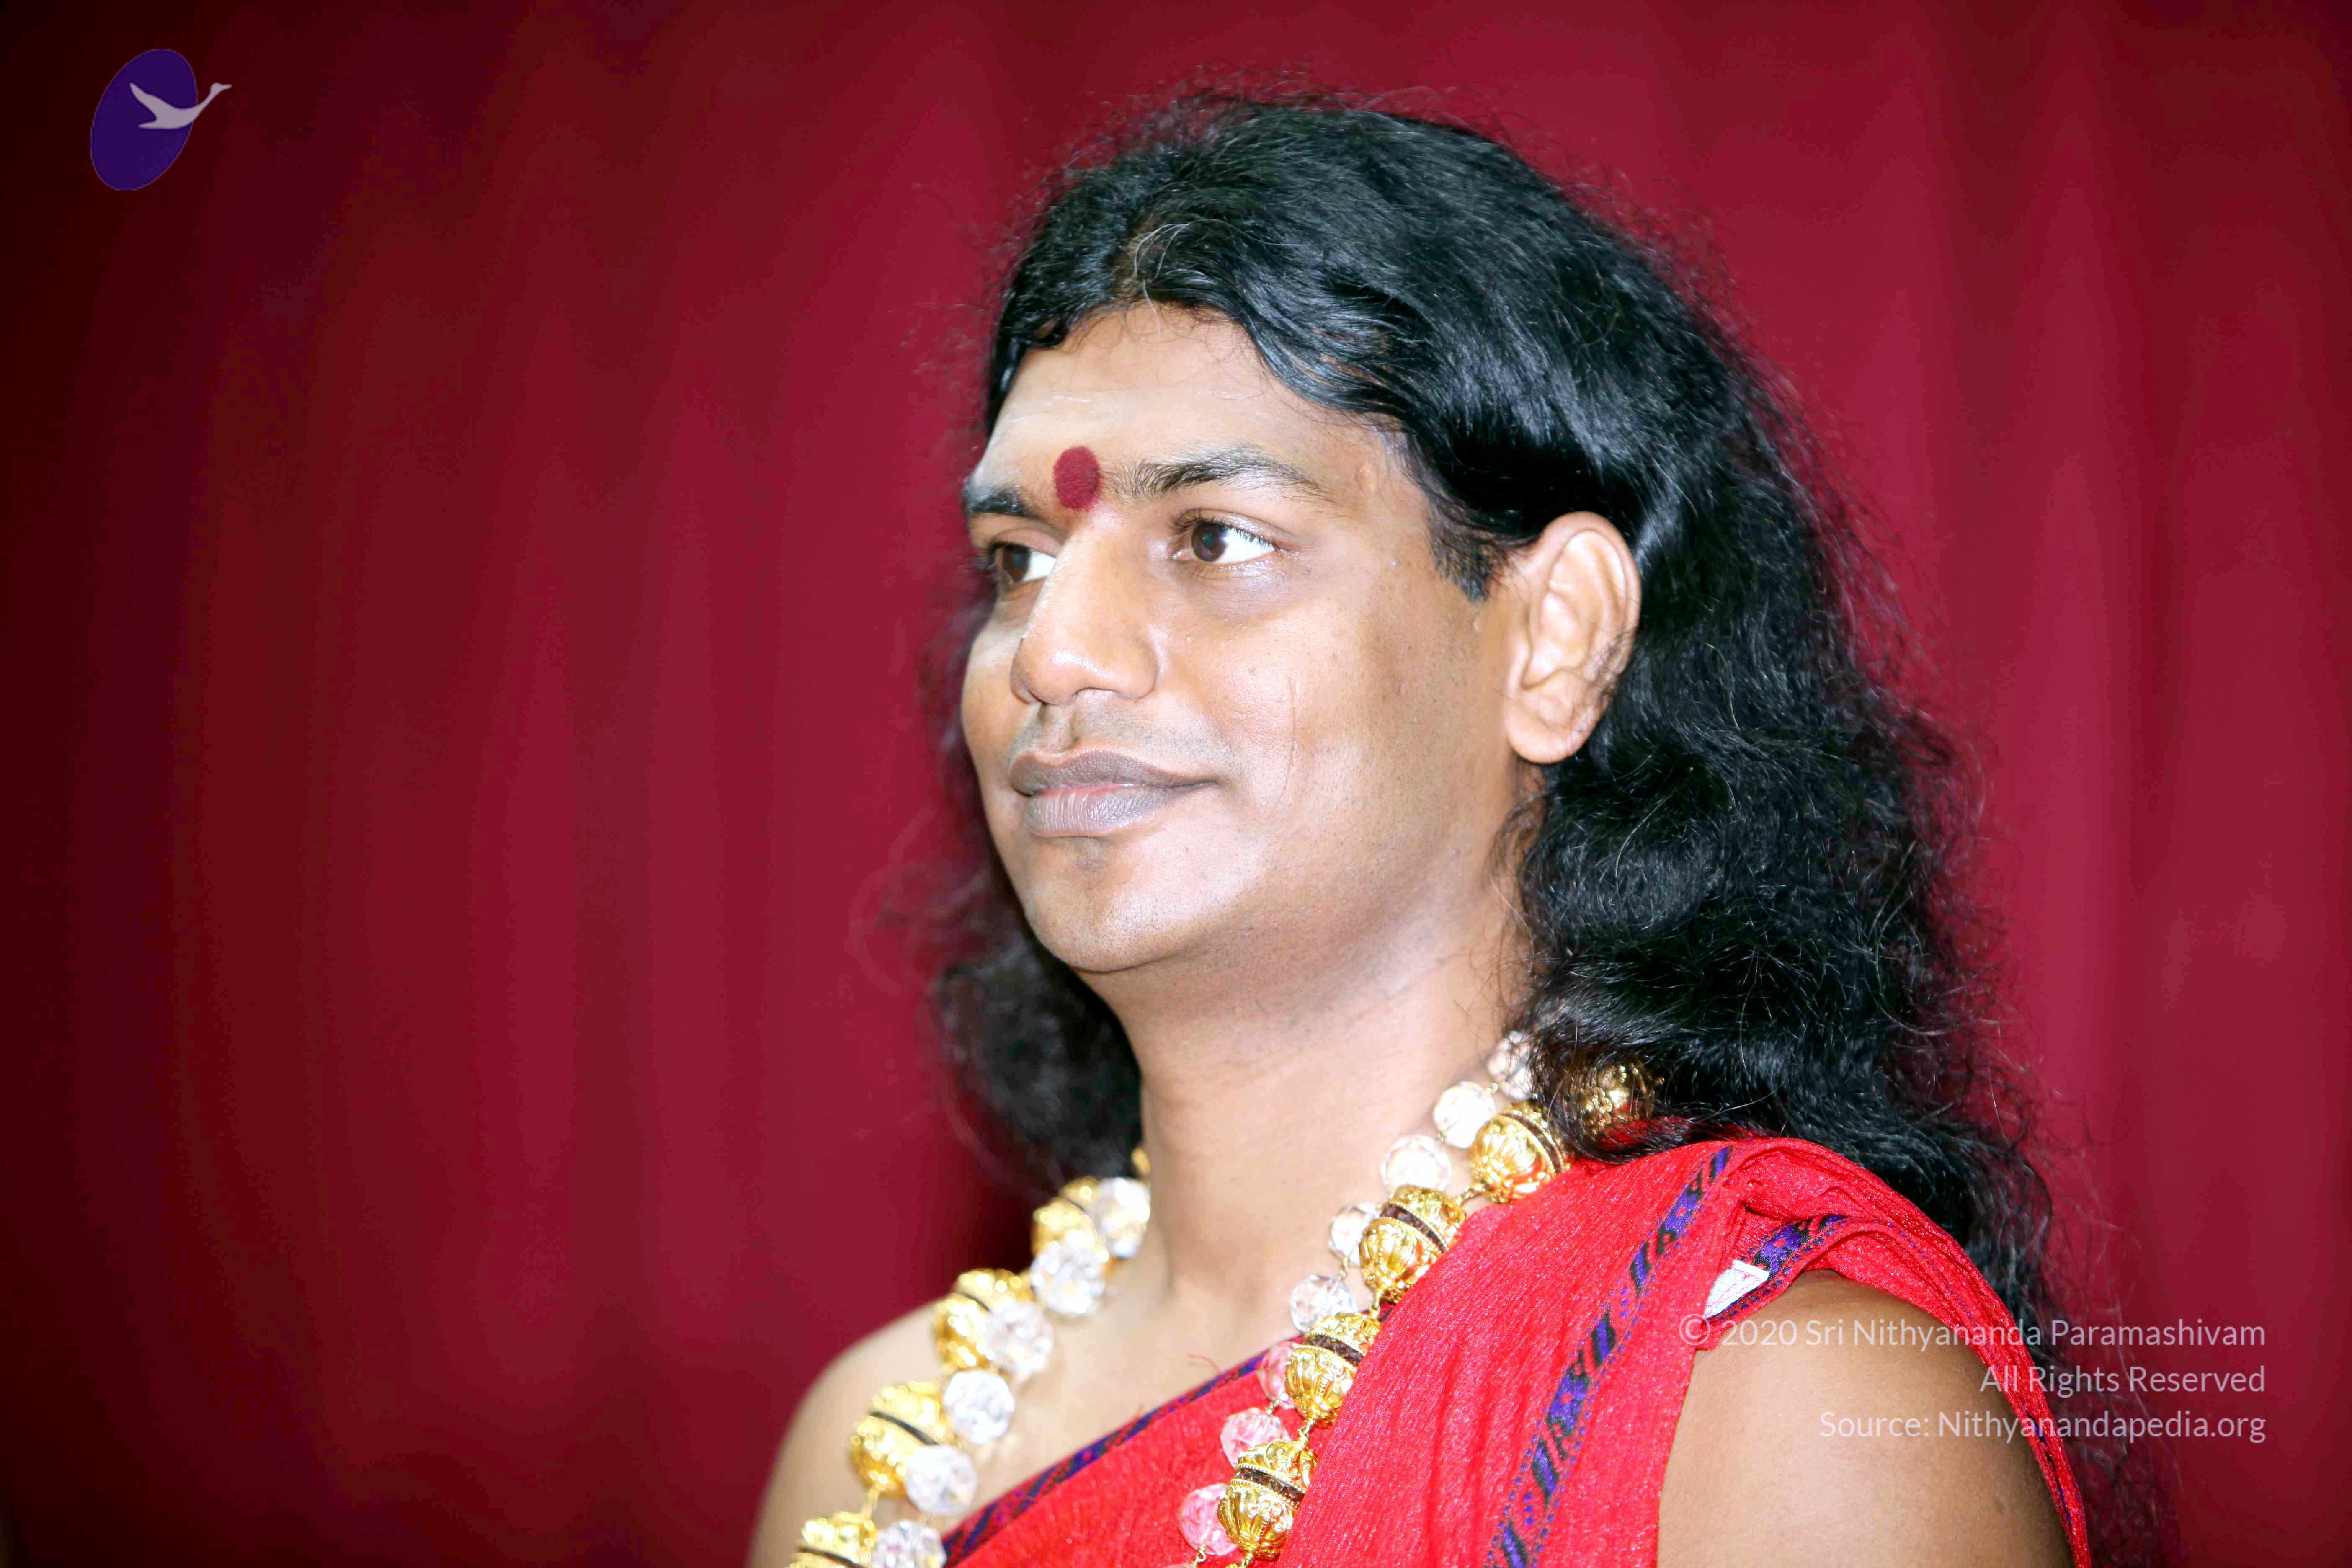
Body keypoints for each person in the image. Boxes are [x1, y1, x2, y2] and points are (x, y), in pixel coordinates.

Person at [751, 95, 2118, 1567]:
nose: (1051, 652)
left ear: (1554, 640)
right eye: (1017, 557)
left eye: (1215, 538)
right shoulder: (874, 1459)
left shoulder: (1767, 1409)